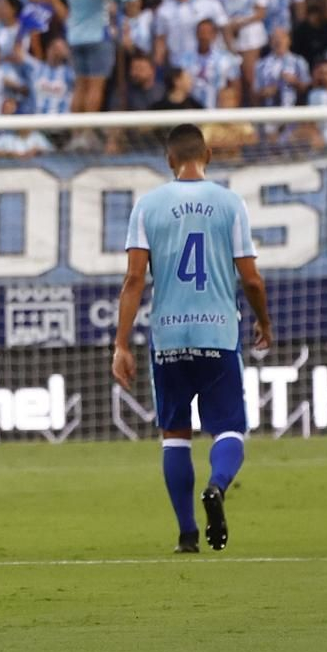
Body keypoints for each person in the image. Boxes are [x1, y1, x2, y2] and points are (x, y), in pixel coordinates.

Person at [111, 124, 272, 555]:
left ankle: (186, 535)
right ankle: (216, 486)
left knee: (175, 435)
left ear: (169, 160)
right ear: (209, 155)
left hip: (169, 336)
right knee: (229, 429)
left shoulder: (148, 206)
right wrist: (264, 321)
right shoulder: (230, 203)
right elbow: (251, 279)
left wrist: (121, 344)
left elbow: (133, 279)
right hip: (217, 332)